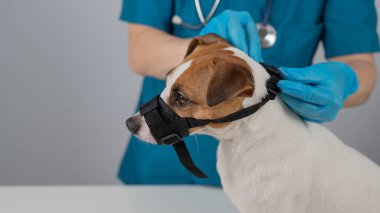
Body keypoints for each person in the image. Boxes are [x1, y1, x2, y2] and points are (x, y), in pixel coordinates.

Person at [119, 0, 379, 186]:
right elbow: (141, 48)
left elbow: (360, 63)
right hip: (168, 170)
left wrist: (346, 80)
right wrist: (213, 55)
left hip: (279, 168)